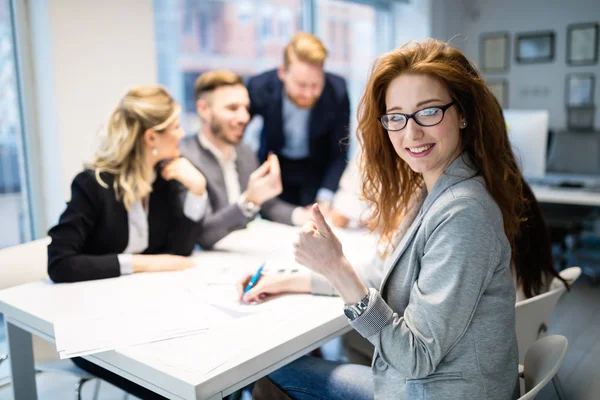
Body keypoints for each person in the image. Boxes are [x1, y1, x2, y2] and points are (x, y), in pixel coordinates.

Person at [238, 39, 524, 400]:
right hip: (430, 385)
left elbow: (415, 357)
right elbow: (379, 275)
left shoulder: (463, 214)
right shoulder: (436, 190)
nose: (411, 132)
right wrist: (291, 280)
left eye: (429, 111)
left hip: (431, 391)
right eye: (396, 117)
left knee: (271, 372)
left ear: (463, 112)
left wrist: (338, 268)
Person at [48, 86, 207, 399]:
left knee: (204, 370)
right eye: (175, 126)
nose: (182, 133)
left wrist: (198, 190)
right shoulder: (93, 184)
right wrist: (145, 263)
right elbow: (60, 263)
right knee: (175, 387)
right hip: (96, 329)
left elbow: (180, 252)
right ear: (151, 138)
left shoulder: (163, 179)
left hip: (145, 314)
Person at [180, 70, 311, 249]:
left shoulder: (244, 151)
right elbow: (203, 234)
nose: (244, 118)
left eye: (246, 108)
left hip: (245, 250)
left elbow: (268, 205)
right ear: (203, 109)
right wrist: (249, 201)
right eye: (232, 108)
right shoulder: (185, 158)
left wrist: (303, 215)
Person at [247, 32, 350, 208]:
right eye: (301, 85)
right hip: (274, 166)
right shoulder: (259, 87)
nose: (308, 93)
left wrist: (325, 196)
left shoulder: (337, 91)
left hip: (316, 168)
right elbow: (236, 130)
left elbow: (339, 151)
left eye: (315, 85)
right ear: (282, 73)